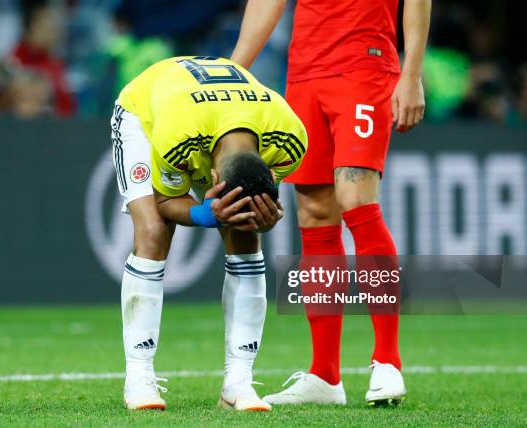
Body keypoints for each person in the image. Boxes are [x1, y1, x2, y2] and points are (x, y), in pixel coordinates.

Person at [231, 0, 431, 406]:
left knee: (355, 198)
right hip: (304, 74)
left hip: (365, 65)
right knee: (315, 214)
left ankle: (387, 361)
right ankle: (325, 376)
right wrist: (233, 72)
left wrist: (412, 73)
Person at [111, 56, 307, 411]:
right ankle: (138, 378)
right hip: (145, 112)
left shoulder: (290, 138)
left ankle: (238, 384)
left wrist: (262, 219)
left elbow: (259, 201)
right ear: (212, 180)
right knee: (154, 230)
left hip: (210, 109)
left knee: (246, 235)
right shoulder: (176, 137)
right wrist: (205, 213)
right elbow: (167, 201)